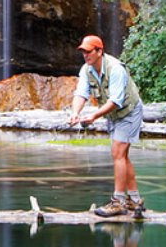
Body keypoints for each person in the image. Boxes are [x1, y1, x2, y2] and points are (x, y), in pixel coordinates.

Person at [66, 34, 144, 217]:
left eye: (88, 51)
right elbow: (81, 93)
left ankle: (118, 203)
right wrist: (75, 113)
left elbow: (116, 101)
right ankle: (134, 200)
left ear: (99, 51)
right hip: (113, 115)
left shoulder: (115, 68)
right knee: (122, 155)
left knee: (117, 152)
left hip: (129, 111)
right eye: (83, 52)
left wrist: (93, 116)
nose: (85, 55)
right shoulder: (87, 70)